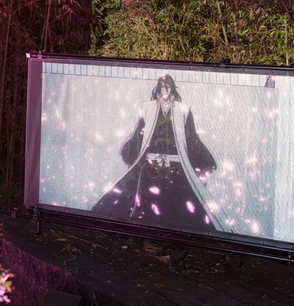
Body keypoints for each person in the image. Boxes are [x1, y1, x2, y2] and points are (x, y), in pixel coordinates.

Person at [92, 74, 227, 232]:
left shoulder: (183, 109)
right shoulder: (147, 108)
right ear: (158, 89)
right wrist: (134, 155)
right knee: (143, 202)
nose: (165, 91)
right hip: (150, 167)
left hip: (176, 168)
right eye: (162, 87)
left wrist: (200, 165)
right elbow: (140, 134)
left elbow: (191, 137)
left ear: (172, 89)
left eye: (168, 87)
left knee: (179, 205)